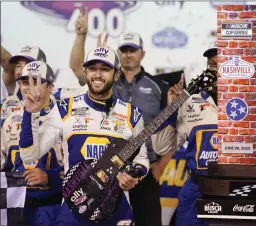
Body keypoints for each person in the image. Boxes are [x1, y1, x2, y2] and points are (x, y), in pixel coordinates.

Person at [19, 46, 149, 226]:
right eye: (93, 68)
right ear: (85, 71)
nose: (98, 75)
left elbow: (141, 158)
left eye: (104, 69)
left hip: (118, 212)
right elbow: (29, 155)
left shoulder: (132, 114)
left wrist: (133, 174)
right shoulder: (64, 109)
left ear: (117, 74)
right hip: (73, 214)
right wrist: (29, 114)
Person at [152, 42, 256, 225]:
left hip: (240, 190)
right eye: (212, 64)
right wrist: (170, 109)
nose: (216, 70)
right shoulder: (189, 100)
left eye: (222, 63)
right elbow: (162, 146)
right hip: (196, 189)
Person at [69, 9, 168, 224]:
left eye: (133, 49)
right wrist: (81, 36)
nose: (128, 54)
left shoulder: (159, 86)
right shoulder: (103, 82)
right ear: (118, 53)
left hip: (145, 169)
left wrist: (160, 166)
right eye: (124, 49)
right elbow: (77, 67)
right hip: (106, 173)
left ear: (142, 53)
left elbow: (172, 127)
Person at [1, 61, 63, 226]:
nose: (28, 87)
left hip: (52, 209)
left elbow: (77, 171)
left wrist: (49, 177)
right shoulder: (9, 121)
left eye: (35, 81)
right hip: (14, 210)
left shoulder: (65, 120)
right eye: (24, 82)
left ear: (50, 87)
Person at [1, 45, 47, 126]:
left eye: (28, 65)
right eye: (18, 66)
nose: (21, 71)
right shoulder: (8, 102)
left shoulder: (54, 102)